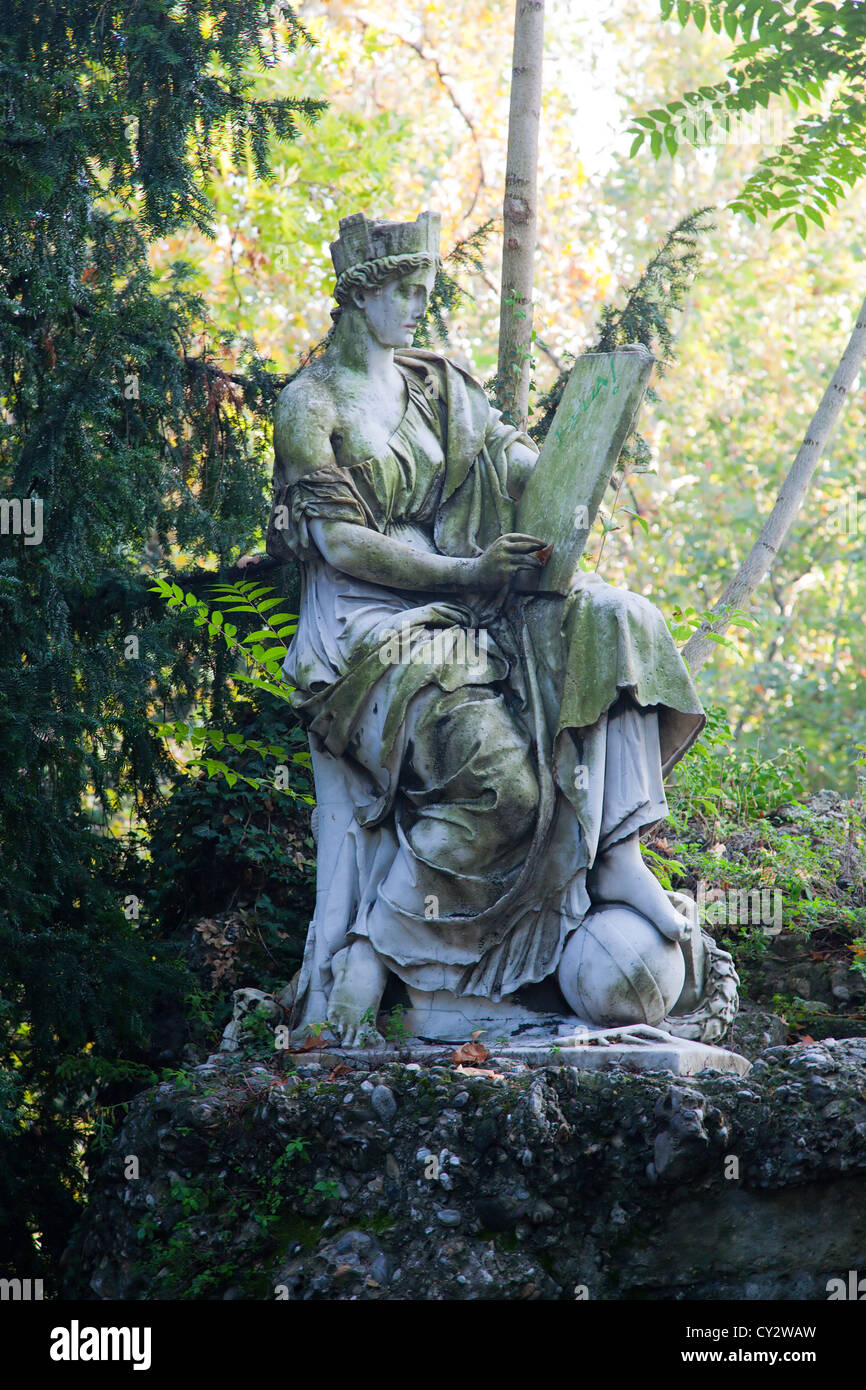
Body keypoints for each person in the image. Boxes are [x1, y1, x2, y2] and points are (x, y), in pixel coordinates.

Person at [266, 211, 706, 1044]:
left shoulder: (439, 385)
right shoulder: (310, 402)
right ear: (359, 294)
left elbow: (511, 461)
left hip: (473, 604)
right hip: (371, 632)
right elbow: (338, 542)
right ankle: (378, 956)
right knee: (504, 784)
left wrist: (573, 463)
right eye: (405, 291)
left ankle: (616, 849)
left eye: (427, 291)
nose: (418, 309)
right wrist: (465, 573)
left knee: (618, 620)